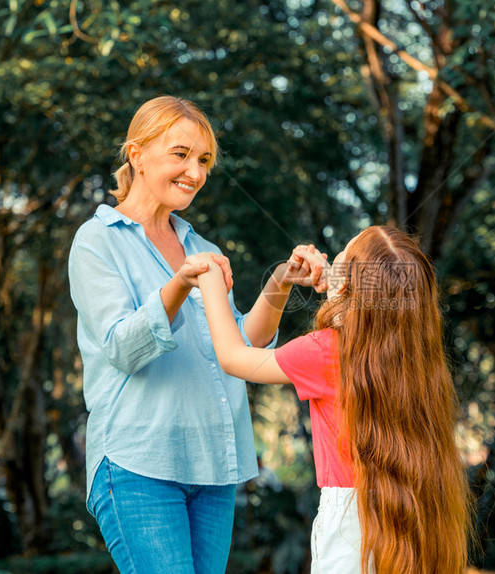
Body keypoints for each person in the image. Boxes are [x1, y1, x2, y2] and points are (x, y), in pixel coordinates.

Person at [67, 95, 324, 574]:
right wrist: (181, 283)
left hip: (212, 467)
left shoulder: (200, 247)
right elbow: (123, 346)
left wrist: (281, 280)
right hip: (137, 464)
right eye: (181, 154)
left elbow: (242, 344)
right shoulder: (97, 241)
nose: (195, 171)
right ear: (137, 155)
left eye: (204, 160)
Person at [189, 226, 471, 573]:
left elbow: (234, 357)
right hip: (417, 507)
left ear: (351, 286)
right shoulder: (419, 359)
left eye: (341, 257)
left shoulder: (325, 350)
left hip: (348, 523)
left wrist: (210, 280)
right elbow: (377, 315)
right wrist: (296, 280)